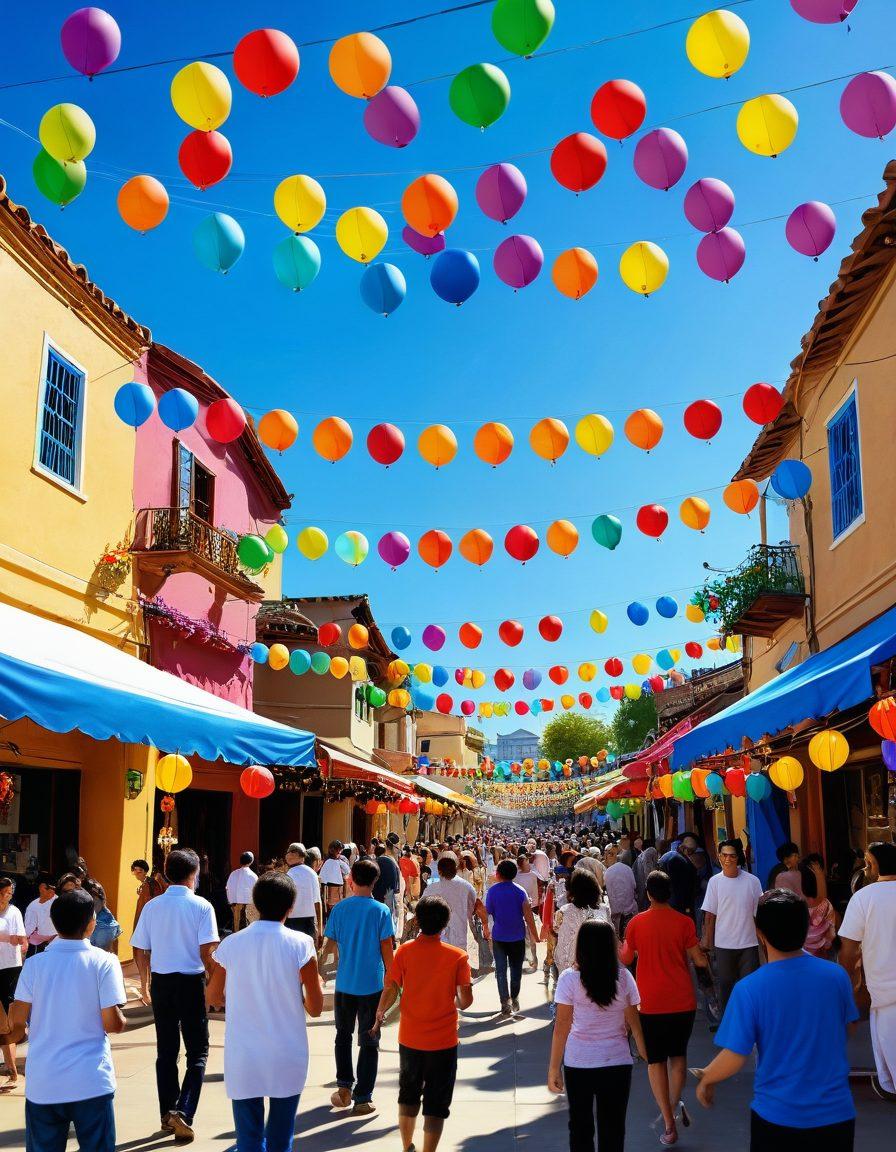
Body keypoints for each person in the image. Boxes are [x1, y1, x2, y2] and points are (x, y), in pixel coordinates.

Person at [697, 889, 858, 1151]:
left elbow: (735, 1055)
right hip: (835, 1115)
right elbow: (848, 1027)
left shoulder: (749, 989)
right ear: (805, 928)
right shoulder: (836, 976)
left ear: (760, 933)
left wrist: (707, 1078)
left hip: (777, 1117)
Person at [206, 872, 324, 1152]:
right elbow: (316, 1008)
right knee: (281, 1138)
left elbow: (212, 997)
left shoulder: (232, 943)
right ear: (291, 907)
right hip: (288, 1052)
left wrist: (243, 999)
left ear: (255, 904)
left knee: (248, 1140)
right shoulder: (301, 944)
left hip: (244, 1054)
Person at [8, 889, 126, 1151]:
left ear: (53, 922)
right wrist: (121, 1018)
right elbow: (113, 1024)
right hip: (91, 1081)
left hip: (44, 1082)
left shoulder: (34, 965)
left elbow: (17, 1026)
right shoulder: (105, 962)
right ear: (91, 924)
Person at [131, 847, 219, 1143]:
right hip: (191, 982)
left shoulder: (153, 906)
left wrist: (144, 983)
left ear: (167, 874)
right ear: (194, 874)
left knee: (166, 1050)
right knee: (198, 1051)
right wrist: (215, 983)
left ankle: (168, 1112)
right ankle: (184, 1110)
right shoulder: (202, 906)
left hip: (162, 982)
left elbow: (139, 948)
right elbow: (208, 951)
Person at [375, 896, 473, 1152]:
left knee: (408, 1095)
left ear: (416, 920)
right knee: (437, 1104)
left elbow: (391, 987)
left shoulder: (404, 951)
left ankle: (407, 1145)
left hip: (410, 1037)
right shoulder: (458, 957)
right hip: (444, 1041)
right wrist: (455, 995)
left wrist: (380, 1012)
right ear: (445, 924)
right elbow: (465, 1002)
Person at [621, 870, 712, 1146]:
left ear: (648, 894)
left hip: (650, 1002)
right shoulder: (684, 922)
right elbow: (698, 959)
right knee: (678, 1057)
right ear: (669, 893)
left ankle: (669, 1121)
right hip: (682, 1000)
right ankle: (673, 1105)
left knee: (656, 1061)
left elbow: (626, 958)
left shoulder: (636, 923)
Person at [548, 919, 645, 1152]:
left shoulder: (569, 979)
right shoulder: (624, 978)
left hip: (578, 1063)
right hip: (617, 1062)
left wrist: (553, 1068)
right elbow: (635, 1024)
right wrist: (649, 1056)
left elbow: (561, 1027)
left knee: (580, 1128)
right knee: (613, 1129)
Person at [321, 857, 395, 1116]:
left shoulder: (340, 909)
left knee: (343, 1036)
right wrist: (393, 979)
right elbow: (387, 949)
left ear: (351, 879)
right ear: (375, 881)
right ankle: (363, 1097)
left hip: (345, 984)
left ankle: (344, 1088)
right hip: (373, 986)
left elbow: (329, 945)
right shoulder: (381, 911)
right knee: (369, 1040)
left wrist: (320, 971)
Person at [839, 840, 896, 1099]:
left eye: (866, 862)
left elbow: (848, 950)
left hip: (882, 991)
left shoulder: (864, 897)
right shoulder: (865, 896)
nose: (865, 867)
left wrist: (850, 984)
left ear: (874, 865)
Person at [700, 839, 763, 1013]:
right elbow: (710, 915)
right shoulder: (715, 882)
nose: (728, 859)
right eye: (724, 855)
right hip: (724, 945)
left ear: (738, 857)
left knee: (750, 988)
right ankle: (727, 1023)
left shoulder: (753, 881)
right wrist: (707, 942)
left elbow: (759, 914)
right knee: (726, 987)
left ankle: (750, 1022)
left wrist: (764, 943)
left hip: (748, 944)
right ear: (719, 857)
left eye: (732, 856)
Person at [485, 858, 539, 1017]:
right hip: (517, 937)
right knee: (516, 970)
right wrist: (535, 935)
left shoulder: (492, 891)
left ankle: (504, 1002)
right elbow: (528, 916)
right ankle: (514, 997)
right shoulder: (520, 891)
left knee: (501, 971)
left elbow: (488, 911)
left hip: (499, 937)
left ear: (498, 874)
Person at [419, 853, 489, 955]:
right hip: (459, 939)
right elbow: (476, 907)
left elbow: (420, 910)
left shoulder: (431, 888)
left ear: (439, 871)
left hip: (437, 939)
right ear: (455, 868)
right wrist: (482, 927)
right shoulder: (466, 887)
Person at [553, 868, 609, 977]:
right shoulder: (604, 910)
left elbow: (557, 932)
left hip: (571, 970)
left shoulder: (564, 911)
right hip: (600, 967)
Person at [0, 877, 26, 1087]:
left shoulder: (14, 912)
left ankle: (12, 1069)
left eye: (8, 893)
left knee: (7, 1020)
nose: (5, 897)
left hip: (10, 967)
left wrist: (13, 939)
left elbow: (20, 939)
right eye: (2, 893)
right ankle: (11, 1069)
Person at [284, 843, 322, 945]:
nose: (287, 855)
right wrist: (320, 931)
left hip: (291, 921)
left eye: (289, 852)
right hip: (309, 921)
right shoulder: (312, 873)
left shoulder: (288, 874)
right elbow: (318, 902)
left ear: (296, 854)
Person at [800, 859, 836, 959]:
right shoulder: (825, 905)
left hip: (804, 957)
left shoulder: (797, 907)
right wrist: (819, 875)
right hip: (823, 957)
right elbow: (831, 935)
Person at [658, 836, 698, 919]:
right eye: (692, 851)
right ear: (685, 849)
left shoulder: (668, 855)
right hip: (676, 906)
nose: (692, 854)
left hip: (664, 902)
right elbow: (680, 888)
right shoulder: (678, 860)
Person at [603, 845, 637, 940]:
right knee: (630, 936)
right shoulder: (628, 869)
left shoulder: (608, 872)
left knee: (618, 937)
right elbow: (634, 886)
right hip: (630, 910)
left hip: (615, 911)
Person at [515, 854, 541, 968]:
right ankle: (527, 958)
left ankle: (533, 958)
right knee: (524, 934)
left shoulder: (533, 874)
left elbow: (536, 890)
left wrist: (534, 903)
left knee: (531, 934)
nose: (528, 863)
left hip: (531, 908)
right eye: (526, 861)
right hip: (519, 909)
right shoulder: (516, 876)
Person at [24, 874, 56, 956]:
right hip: (55, 939)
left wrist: (25, 937)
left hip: (39, 942)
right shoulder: (59, 900)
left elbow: (30, 927)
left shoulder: (33, 906)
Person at [373, 844, 402, 933]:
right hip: (389, 892)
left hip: (376, 893)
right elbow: (396, 880)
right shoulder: (391, 862)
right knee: (388, 916)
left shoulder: (374, 862)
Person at [225, 851, 257, 933]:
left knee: (236, 928)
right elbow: (256, 892)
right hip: (248, 907)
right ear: (251, 861)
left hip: (235, 906)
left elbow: (228, 889)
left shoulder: (233, 874)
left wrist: (231, 902)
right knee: (247, 930)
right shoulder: (253, 876)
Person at [132, 859, 166, 934]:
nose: (137, 873)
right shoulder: (144, 884)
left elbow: (156, 902)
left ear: (145, 872)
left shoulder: (151, 883)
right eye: (135, 870)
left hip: (149, 923)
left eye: (139, 871)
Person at [319, 840, 350, 921]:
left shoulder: (340, 861)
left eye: (340, 851)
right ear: (333, 850)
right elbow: (323, 878)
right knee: (332, 912)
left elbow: (347, 872)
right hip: (330, 890)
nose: (340, 853)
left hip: (340, 889)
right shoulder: (328, 862)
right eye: (338, 851)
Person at [633, 842, 659, 912]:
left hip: (641, 888)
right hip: (645, 887)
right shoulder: (650, 851)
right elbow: (648, 871)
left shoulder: (640, 857)